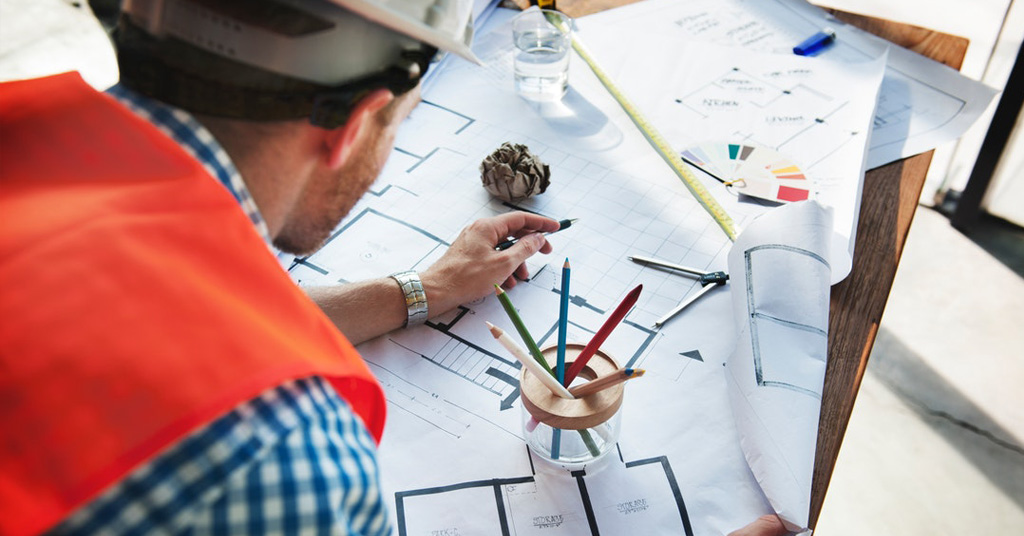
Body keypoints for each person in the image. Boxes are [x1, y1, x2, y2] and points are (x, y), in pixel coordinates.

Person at [0, 1, 786, 534]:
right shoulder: (284, 455)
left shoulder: (28, 159)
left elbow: (154, 330)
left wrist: (424, 290)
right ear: (358, 119)